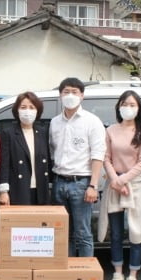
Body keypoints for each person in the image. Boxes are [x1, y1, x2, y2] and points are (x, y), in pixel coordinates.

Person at [99, 90, 141, 280]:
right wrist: (116, 180)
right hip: (115, 185)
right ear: (118, 107)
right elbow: (106, 158)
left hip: (135, 185)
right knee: (117, 233)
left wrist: (123, 180)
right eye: (124, 104)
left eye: (132, 104)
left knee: (136, 233)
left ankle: (133, 277)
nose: (127, 108)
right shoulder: (111, 130)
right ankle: (118, 273)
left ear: (138, 109)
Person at [49, 77, 106, 257]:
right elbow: (52, 151)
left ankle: (84, 273)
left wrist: (93, 186)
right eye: (66, 92)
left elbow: (98, 155)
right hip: (59, 182)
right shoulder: (54, 122)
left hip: (81, 184)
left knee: (83, 233)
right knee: (63, 233)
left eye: (74, 92)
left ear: (82, 95)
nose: (70, 95)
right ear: (60, 95)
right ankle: (67, 275)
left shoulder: (92, 121)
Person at [0, 91, 50, 206]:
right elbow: (4, 164)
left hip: (41, 189)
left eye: (32, 107)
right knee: (21, 223)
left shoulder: (42, 132)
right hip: (19, 188)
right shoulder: (8, 133)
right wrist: (3, 191)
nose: (27, 111)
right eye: (23, 107)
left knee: (40, 223)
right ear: (17, 110)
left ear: (37, 111)